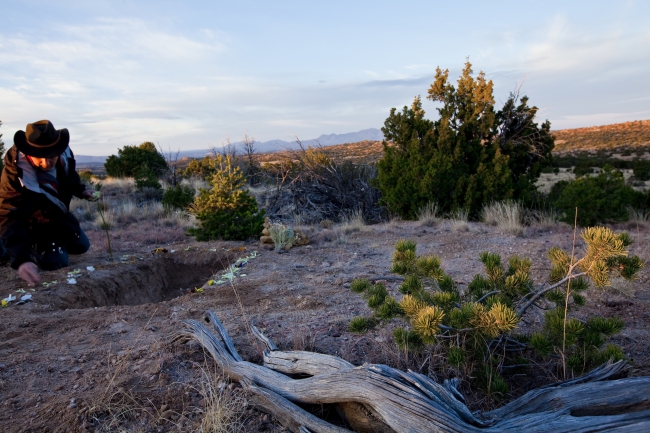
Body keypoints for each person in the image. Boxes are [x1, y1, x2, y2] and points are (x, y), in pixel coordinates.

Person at [0, 120, 97, 285]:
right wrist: (22, 260)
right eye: (39, 156)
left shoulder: (65, 155)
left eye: (51, 155)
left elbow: (70, 177)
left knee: (82, 245)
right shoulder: (14, 173)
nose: (46, 163)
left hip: (55, 217)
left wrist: (81, 190)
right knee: (56, 263)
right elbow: (10, 214)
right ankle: (14, 248)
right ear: (28, 151)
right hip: (29, 222)